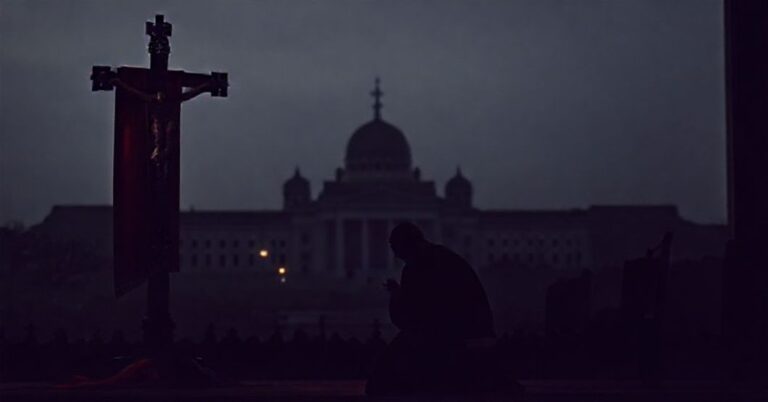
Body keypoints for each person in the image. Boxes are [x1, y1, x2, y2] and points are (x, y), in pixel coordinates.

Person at [366, 222, 511, 396]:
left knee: (384, 380)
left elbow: (413, 318)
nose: (397, 257)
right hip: (461, 332)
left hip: (450, 337)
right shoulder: (445, 259)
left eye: (398, 251)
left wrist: (397, 296)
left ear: (408, 246)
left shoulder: (420, 267)